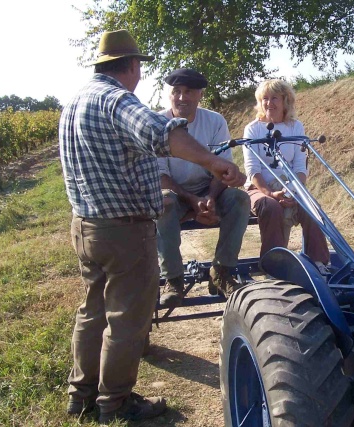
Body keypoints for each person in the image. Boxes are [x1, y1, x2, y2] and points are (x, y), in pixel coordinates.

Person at [59, 29, 245, 424]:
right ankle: (116, 402)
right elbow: (162, 134)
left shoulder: (75, 100)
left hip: (86, 224)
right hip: (122, 230)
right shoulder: (115, 100)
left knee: (92, 312)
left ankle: (82, 396)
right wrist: (215, 163)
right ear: (132, 66)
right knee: (128, 319)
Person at [156, 68, 250, 303]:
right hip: (176, 191)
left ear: (199, 95)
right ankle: (173, 279)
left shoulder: (215, 121)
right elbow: (161, 177)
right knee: (163, 202)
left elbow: (223, 166)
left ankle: (222, 271)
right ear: (170, 95)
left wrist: (209, 197)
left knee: (240, 199)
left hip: (209, 189)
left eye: (188, 92)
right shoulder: (158, 123)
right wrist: (192, 200)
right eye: (176, 91)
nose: (181, 97)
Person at [242, 79, 330, 273]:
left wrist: (293, 191)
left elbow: (300, 166)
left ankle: (319, 263)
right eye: (264, 98)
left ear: (285, 101)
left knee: (312, 208)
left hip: (289, 186)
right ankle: (274, 265)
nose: (269, 103)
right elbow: (252, 169)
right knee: (271, 207)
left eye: (274, 98)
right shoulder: (253, 129)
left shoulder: (295, 127)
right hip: (259, 188)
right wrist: (270, 194)